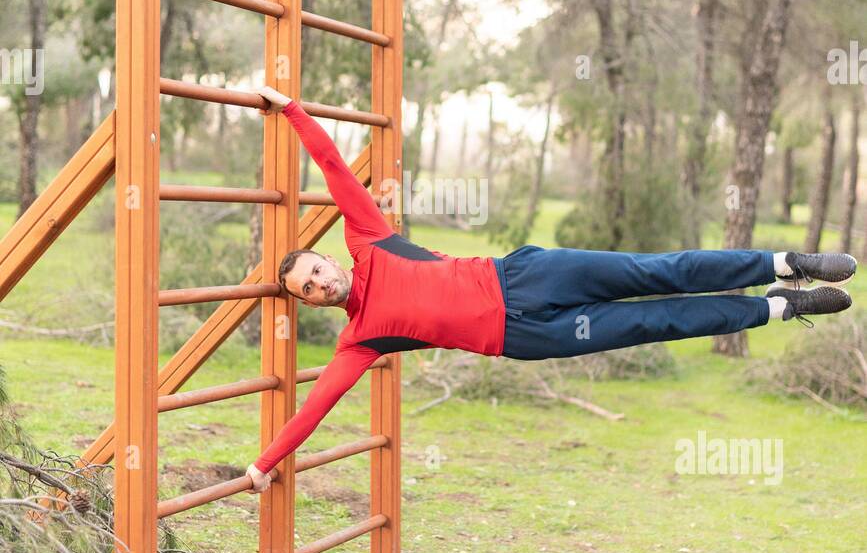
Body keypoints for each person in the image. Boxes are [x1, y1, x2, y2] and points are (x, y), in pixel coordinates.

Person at [245, 86, 856, 492]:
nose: (321, 285)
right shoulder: (359, 341)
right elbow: (314, 408)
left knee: (656, 272)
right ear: (310, 305)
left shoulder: (369, 237)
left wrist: (292, 108)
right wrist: (263, 465)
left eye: (315, 272)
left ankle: (781, 261)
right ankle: (781, 307)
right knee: (653, 323)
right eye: (308, 292)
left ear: (326, 257)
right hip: (527, 334)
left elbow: (331, 166)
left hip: (528, 274)